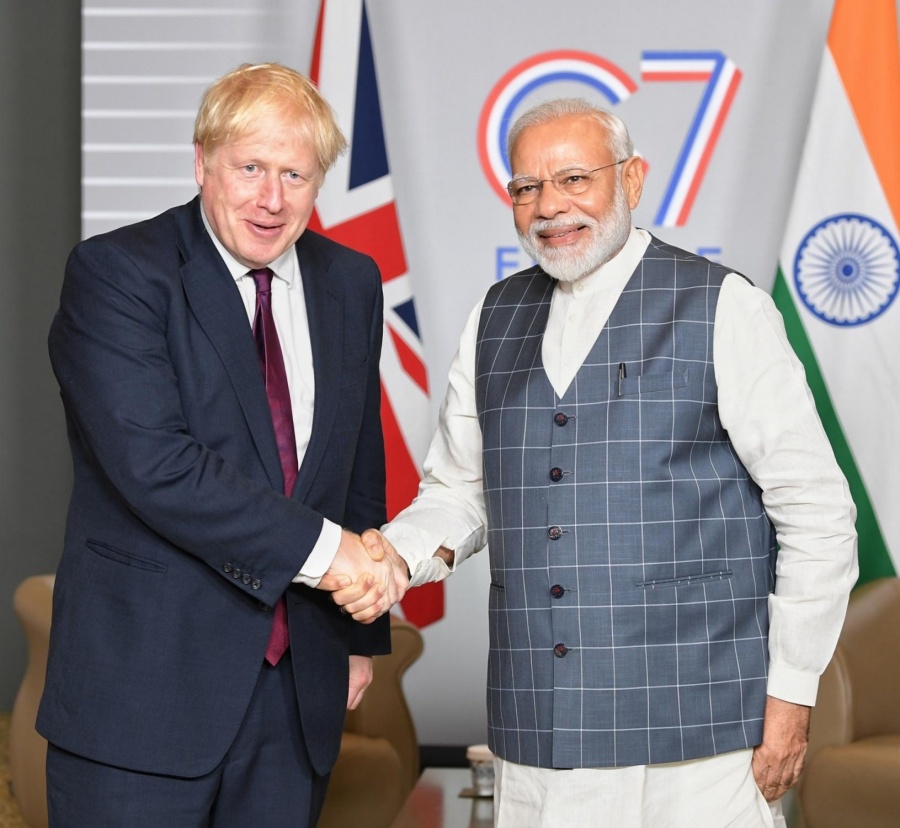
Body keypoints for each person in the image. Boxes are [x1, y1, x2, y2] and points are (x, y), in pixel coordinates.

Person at [339, 98, 858, 827]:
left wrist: (792, 694)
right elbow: (460, 492)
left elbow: (819, 515)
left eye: (575, 178)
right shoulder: (492, 318)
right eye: (527, 187)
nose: (550, 206)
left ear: (633, 179)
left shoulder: (724, 307)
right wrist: (391, 556)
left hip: (700, 741)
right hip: (540, 736)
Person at [39, 63, 406, 827]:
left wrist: (359, 634)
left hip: (296, 693)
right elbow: (157, 467)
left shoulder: (351, 282)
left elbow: (357, 466)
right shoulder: (118, 274)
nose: (271, 199)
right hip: (143, 696)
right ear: (202, 161)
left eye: (295, 174)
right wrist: (333, 553)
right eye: (250, 168)